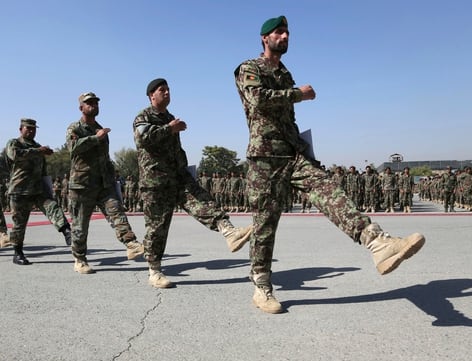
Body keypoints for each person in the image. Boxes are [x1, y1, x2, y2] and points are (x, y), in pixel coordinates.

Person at [234, 15, 425, 314]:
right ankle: (261, 286)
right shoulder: (249, 68)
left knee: (330, 190)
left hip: (294, 153)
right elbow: (258, 100)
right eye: (278, 33)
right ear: (264, 38)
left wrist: (305, 150)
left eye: (287, 33)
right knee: (265, 224)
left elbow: (288, 119)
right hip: (265, 158)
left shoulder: (284, 72)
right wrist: (299, 94)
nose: (284, 37)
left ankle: (377, 243)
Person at [132, 78, 252, 288]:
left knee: (202, 200)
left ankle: (229, 232)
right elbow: (143, 139)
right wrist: (170, 128)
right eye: (162, 90)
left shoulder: (169, 117)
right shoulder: (144, 117)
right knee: (157, 227)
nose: (167, 93)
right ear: (152, 95)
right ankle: (154, 270)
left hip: (178, 176)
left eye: (169, 89)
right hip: (155, 181)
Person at [66, 92, 145, 274]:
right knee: (80, 225)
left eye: (95, 103)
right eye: (89, 103)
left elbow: (105, 158)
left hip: (103, 184)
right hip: (81, 185)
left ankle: (131, 244)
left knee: (117, 212)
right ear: (81, 108)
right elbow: (73, 148)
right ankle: (79, 258)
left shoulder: (101, 129)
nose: (93, 105)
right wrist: (96, 138)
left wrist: (113, 176)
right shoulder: (75, 128)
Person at [5, 118, 72, 265]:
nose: (31, 131)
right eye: (28, 128)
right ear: (20, 129)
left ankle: (67, 232)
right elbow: (14, 155)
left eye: (34, 129)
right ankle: (18, 253)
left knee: (53, 207)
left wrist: (48, 187)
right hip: (19, 191)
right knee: (19, 224)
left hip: (38, 190)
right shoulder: (14, 143)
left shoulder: (38, 147)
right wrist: (38, 151)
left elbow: (43, 170)